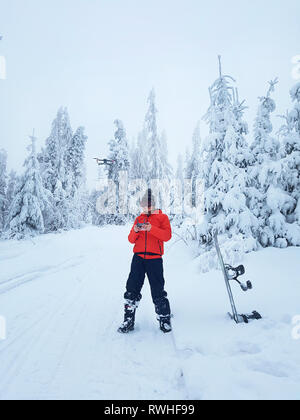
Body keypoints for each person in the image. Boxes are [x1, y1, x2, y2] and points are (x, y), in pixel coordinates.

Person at [118, 189, 173, 334]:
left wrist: (152, 229)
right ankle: (128, 321)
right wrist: (136, 230)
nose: (145, 208)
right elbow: (131, 240)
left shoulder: (162, 218)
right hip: (138, 259)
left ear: (153, 205)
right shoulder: (138, 219)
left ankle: (164, 319)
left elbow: (167, 236)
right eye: (143, 205)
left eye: (148, 205)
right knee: (132, 289)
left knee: (158, 290)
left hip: (154, 259)